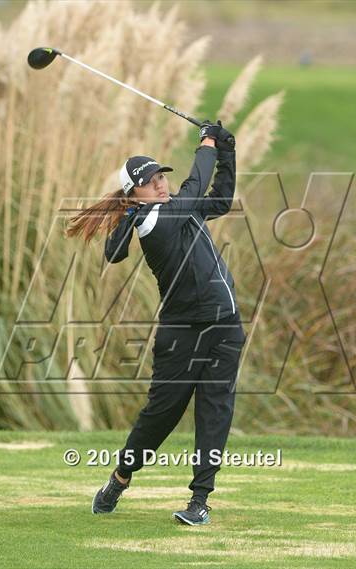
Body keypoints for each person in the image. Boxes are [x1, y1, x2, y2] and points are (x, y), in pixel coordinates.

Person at [66, 120, 246, 525]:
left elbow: (217, 198)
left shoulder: (177, 209)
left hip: (224, 325)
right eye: (150, 182)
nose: (161, 184)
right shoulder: (155, 222)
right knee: (161, 415)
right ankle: (120, 476)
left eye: (161, 176)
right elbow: (197, 184)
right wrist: (208, 143)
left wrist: (227, 152)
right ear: (135, 196)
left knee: (215, 410)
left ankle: (200, 500)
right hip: (182, 332)